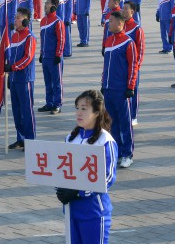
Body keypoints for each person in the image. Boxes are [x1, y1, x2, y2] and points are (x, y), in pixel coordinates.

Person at [56, 89, 118, 244]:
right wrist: (61, 189)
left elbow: (108, 177)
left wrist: (79, 192)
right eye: (77, 108)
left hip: (94, 212)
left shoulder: (105, 140)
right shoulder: (71, 138)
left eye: (84, 109)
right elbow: (61, 169)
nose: (79, 113)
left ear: (97, 112)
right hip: (72, 211)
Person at [101, 10, 138, 168]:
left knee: (124, 122)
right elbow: (106, 66)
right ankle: (115, 151)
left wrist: (130, 86)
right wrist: (103, 83)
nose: (109, 23)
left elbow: (133, 66)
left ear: (120, 23)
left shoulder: (128, 42)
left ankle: (127, 153)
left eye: (111, 21)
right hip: (109, 89)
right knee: (111, 123)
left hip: (121, 90)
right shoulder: (108, 41)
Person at [5, 8, 37, 150]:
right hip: (14, 79)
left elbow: (27, 58)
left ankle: (30, 140)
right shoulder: (14, 36)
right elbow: (11, 56)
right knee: (16, 110)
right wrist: (9, 74)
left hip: (25, 79)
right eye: (15, 17)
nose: (15, 20)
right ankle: (21, 138)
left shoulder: (30, 37)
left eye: (18, 18)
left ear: (25, 20)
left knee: (26, 110)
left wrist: (13, 68)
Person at [38, 0, 66, 115]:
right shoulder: (44, 21)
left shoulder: (58, 21)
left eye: (48, 3)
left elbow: (61, 39)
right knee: (47, 81)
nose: (45, 5)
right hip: (45, 57)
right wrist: (41, 53)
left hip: (54, 57)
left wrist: (58, 55)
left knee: (57, 82)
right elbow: (42, 39)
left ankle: (57, 104)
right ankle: (49, 103)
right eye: (45, 3)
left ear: (54, 7)